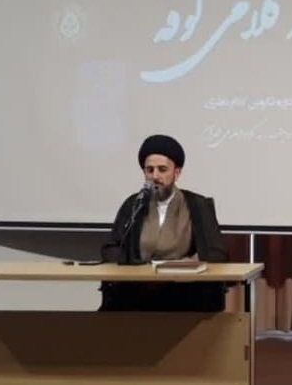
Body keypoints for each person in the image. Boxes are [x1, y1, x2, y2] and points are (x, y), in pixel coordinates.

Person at [98, 134, 229, 312]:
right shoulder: (134, 204)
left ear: (177, 173)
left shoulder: (197, 206)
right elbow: (111, 248)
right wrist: (137, 268)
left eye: (162, 169)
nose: (155, 176)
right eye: (149, 170)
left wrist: (187, 265)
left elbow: (217, 253)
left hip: (183, 293)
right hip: (137, 291)